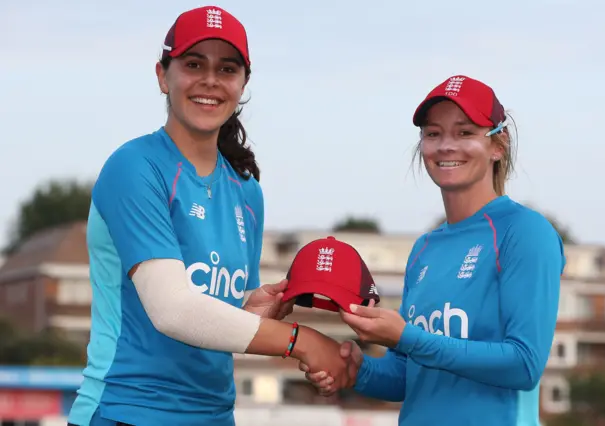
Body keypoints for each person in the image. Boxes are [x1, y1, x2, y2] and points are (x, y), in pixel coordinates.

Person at [67, 6, 347, 426]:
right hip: (126, 411)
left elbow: (221, 325)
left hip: (215, 416)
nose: (210, 81)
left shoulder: (246, 190)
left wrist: (254, 309)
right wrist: (301, 341)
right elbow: (174, 311)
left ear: (243, 83)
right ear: (163, 75)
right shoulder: (134, 167)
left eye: (227, 68)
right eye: (194, 64)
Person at [301, 75, 565, 425]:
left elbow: (524, 365)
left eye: (465, 132)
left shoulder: (525, 231)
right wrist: (357, 369)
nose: (446, 146)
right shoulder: (425, 248)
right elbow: (406, 377)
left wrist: (407, 337)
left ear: (497, 145)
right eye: (433, 133)